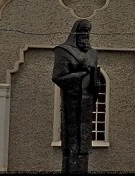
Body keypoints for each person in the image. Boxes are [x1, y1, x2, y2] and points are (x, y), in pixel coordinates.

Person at [52, 20, 104, 173]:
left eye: (88, 31)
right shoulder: (63, 51)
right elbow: (58, 77)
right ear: (75, 33)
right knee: (71, 143)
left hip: (87, 103)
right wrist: (80, 74)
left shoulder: (93, 54)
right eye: (82, 31)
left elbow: (94, 77)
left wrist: (96, 82)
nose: (86, 35)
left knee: (84, 144)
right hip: (72, 101)